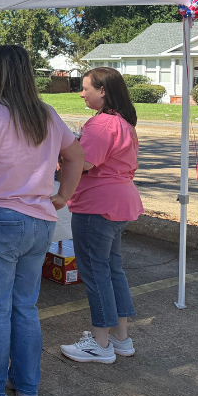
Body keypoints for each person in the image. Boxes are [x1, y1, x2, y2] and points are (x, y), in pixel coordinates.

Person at [0, 44, 84, 396]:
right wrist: (63, 196)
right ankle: (27, 385)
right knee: (25, 306)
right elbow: (76, 155)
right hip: (39, 220)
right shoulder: (46, 112)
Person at [60, 68, 143, 364]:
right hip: (120, 202)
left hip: (97, 204)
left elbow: (83, 163)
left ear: (103, 90)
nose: (81, 93)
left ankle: (100, 342)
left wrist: (60, 154)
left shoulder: (101, 123)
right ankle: (120, 337)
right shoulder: (123, 122)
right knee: (111, 269)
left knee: (96, 272)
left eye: (86, 88)